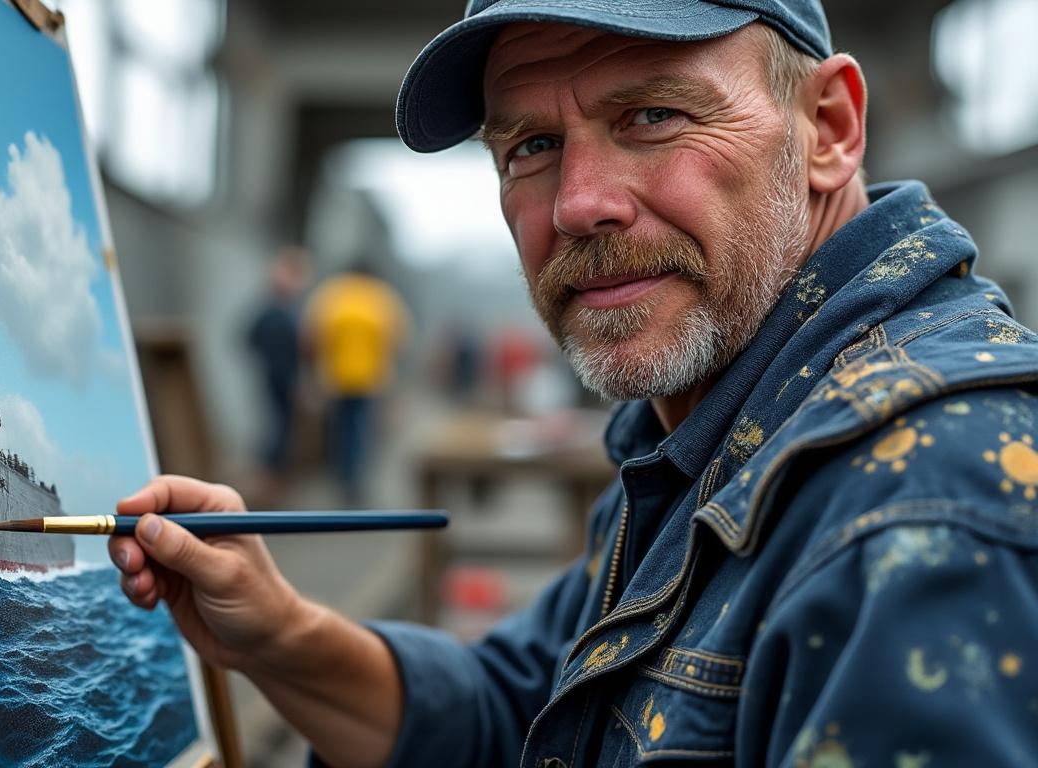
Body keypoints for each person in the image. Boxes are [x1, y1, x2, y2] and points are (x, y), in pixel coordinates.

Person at [110, 1, 1038, 765]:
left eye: (653, 116)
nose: (577, 202)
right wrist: (277, 636)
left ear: (828, 129)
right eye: (530, 147)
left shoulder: (927, 509)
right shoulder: (713, 432)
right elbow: (519, 707)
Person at [302, 260, 409, 505]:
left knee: (341, 428)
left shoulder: (331, 294)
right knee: (363, 429)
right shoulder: (381, 296)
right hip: (371, 379)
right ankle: (356, 479)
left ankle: (344, 477)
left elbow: (311, 337)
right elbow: (398, 340)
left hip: (335, 377)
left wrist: (310, 373)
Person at [246, 246, 310, 485]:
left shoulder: (285, 310)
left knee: (280, 424)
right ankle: (271, 472)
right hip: (277, 374)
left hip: (282, 374)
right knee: (278, 424)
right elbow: (250, 337)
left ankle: (274, 472)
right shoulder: (274, 311)